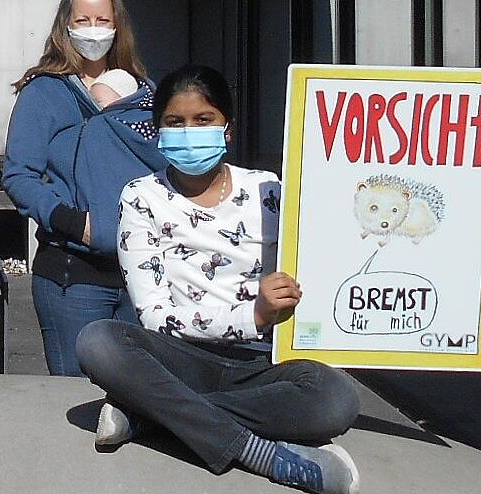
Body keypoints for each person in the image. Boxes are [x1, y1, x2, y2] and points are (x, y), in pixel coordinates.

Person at [77, 65, 362, 494]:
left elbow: (338, 255)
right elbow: (155, 317)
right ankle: (258, 453)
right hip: (178, 359)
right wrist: (256, 314)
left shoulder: (271, 191)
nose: (190, 132)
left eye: (203, 120)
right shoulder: (141, 197)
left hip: (262, 366)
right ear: (157, 131)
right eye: (175, 122)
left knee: (336, 398)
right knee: (98, 341)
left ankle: (152, 416)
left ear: (227, 129)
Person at [3, 0, 167, 375]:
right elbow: (18, 174)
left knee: (144, 391)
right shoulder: (43, 93)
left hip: (143, 271)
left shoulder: (144, 92)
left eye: (102, 20)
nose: (94, 30)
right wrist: (71, 221)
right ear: (66, 25)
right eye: (83, 20)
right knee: (78, 391)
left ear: (117, 25)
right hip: (72, 276)